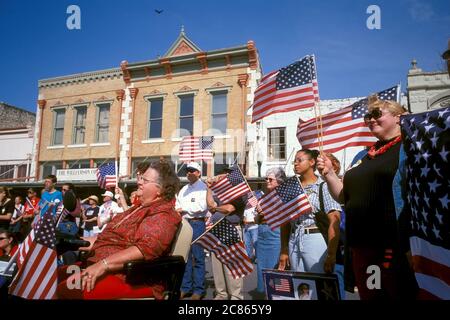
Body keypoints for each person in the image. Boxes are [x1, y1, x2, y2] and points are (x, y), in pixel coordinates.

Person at [317, 96, 418, 300]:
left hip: (394, 246)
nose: (370, 120)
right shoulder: (363, 156)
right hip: (363, 247)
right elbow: (344, 196)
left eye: (376, 114)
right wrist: (329, 174)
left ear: (399, 117)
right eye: (367, 116)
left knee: (400, 295)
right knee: (373, 296)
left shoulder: (411, 149)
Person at [57, 160, 182, 299]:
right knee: (53, 276)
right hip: (104, 266)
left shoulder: (164, 214)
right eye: (140, 178)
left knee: (66, 289)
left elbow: (145, 248)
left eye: (145, 180)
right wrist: (69, 241)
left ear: (160, 189)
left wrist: (103, 265)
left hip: (131, 278)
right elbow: (105, 240)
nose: (139, 182)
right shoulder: (137, 209)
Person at [278, 149, 344, 299]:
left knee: (320, 287)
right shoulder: (291, 187)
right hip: (295, 239)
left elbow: (334, 218)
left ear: (312, 162)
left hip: (315, 238)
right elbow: (285, 221)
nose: (295, 163)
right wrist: (284, 249)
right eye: (294, 160)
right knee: (301, 289)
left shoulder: (324, 186)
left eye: (300, 160)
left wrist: (332, 254)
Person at [206, 168, 247, 300]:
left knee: (231, 267)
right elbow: (210, 204)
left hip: (231, 228)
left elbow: (229, 209)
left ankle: (236, 297)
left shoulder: (240, 192)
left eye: (229, 174)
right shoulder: (221, 192)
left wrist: (215, 208)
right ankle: (221, 295)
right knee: (217, 267)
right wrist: (209, 188)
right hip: (217, 229)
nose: (224, 175)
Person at [176, 162, 208, 300]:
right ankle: (186, 287)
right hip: (185, 223)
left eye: (192, 170)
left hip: (197, 223)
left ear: (199, 173)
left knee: (198, 257)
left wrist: (184, 209)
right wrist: (180, 209)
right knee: (186, 257)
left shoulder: (204, 188)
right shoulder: (184, 189)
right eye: (187, 170)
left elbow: (202, 207)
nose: (189, 173)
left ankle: (199, 290)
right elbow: (178, 203)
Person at [254, 167, 286, 296]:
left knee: (275, 267)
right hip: (262, 233)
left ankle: (276, 295)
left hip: (275, 233)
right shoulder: (264, 197)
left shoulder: (283, 195)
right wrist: (259, 213)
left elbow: (285, 215)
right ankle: (264, 294)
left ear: (279, 181)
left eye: (270, 179)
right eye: (266, 178)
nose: (267, 181)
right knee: (261, 267)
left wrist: (267, 211)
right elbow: (256, 219)